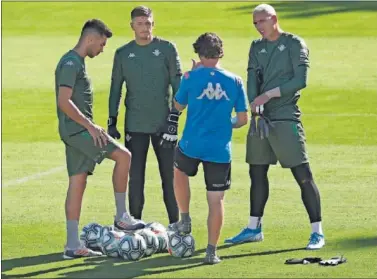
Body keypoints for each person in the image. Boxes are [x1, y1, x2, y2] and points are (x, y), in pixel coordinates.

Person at [224, 4, 325, 250]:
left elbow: (300, 81)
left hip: (285, 117)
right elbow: (250, 78)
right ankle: (253, 227)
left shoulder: (294, 44)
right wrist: (252, 103)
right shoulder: (256, 47)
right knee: (256, 173)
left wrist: (267, 95)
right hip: (261, 119)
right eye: (255, 23)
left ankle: (317, 232)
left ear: (274, 19)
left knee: (302, 174)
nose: (259, 26)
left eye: (262, 21)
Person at [55, 19, 144, 260]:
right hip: (79, 131)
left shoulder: (75, 62)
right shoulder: (71, 63)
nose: (103, 49)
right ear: (90, 39)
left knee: (78, 182)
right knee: (124, 157)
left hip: (75, 131)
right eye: (102, 44)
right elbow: (64, 101)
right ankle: (122, 217)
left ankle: (72, 244)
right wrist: (91, 126)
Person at [169, 32, 249, 264]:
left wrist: (190, 75)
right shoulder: (235, 81)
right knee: (216, 201)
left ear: (199, 53)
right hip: (219, 150)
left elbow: (178, 105)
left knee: (179, 172)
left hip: (191, 144)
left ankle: (184, 218)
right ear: (220, 52)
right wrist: (227, 123)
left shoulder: (191, 77)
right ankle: (211, 252)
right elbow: (242, 119)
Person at [107, 6, 181, 225]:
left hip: (163, 125)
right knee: (136, 178)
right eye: (139, 23)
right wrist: (112, 120)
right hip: (135, 125)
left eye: (148, 23)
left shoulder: (167, 49)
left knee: (170, 177)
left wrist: (174, 119)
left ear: (153, 24)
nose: (144, 28)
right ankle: (135, 225)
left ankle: (176, 226)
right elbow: (115, 88)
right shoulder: (122, 53)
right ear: (132, 26)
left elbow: (178, 86)